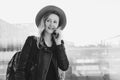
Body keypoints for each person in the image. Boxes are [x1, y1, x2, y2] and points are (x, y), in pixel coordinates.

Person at [15, 5, 69, 80]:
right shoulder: (32, 41)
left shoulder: (59, 44)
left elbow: (64, 66)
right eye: (48, 21)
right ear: (44, 22)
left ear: (58, 25)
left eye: (55, 22)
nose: (51, 24)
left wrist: (58, 43)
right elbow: (20, 69)